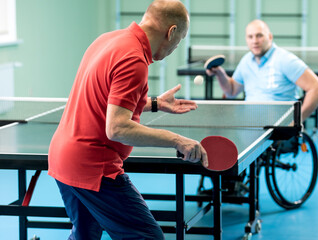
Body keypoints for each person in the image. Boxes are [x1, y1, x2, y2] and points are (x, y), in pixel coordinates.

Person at [48, 1, 208, 239]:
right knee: (148, 237)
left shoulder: (108, 40)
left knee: (85, 235)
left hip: (63, 158)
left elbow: (104, 98)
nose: (177, 45)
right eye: (181, 37)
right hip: (94, 168)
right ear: (171, 31)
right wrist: (177, 140)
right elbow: (117, 128)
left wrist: (155, 103)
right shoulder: (134, 59)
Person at [207, 19, 318, 121]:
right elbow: (232, 92)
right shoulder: (246, 61)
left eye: (259, 35)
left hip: (278, 126)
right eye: (250, 36)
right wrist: (220, 74)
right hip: (251, 123)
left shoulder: (285, 60)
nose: (255, 41)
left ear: (269, 37)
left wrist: (295, 121)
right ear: (246, 39)